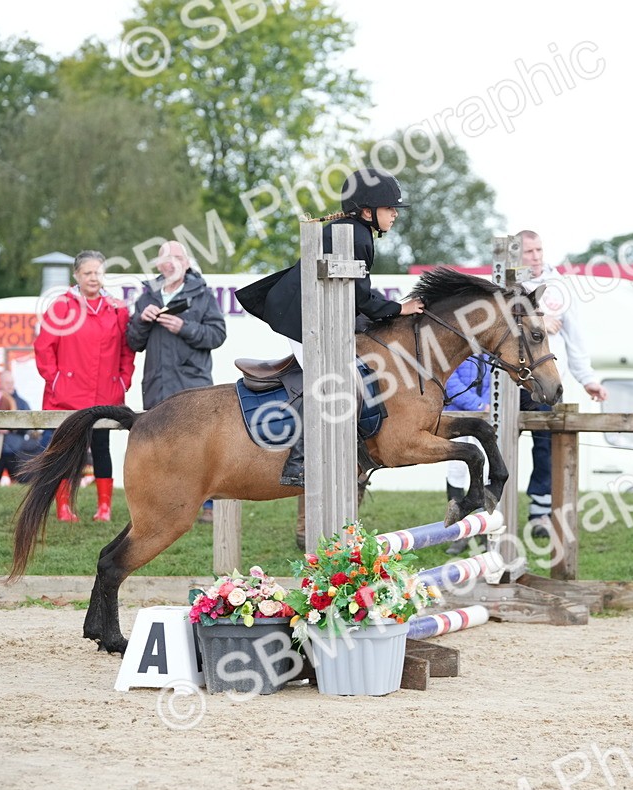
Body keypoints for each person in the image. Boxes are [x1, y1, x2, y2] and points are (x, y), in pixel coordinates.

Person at [235, 168, 425, 488]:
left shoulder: (353, 231)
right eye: (389, 208)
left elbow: (351, 296)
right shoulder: (356, 235)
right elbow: (361, 297)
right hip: (301, 322)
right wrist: (399, 308)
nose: (394, 214)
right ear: (367, 211)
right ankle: (299, 460)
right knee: (331, 382)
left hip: (318, 317)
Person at [127, 240, 228, 522]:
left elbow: (217, 335)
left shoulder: (203, 295)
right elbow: (133, 342)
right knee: (159, 446)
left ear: (186, 263)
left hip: (192, 384)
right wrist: (141, 320)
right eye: (164, 259)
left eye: (176, 257)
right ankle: (162, 507)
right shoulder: (147, 296)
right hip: (157, 383)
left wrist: (185, 328)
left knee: (198, 446)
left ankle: (207, 506)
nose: (170, 263)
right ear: (159, 266)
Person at [517, 230, 608, 538]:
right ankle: (490, 509)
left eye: (539, 249)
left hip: (548, 379)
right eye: (529, 251)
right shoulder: (507, 284)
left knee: (546, 445)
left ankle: (540, 514)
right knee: (497, 442)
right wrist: (537, 318)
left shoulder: (560, 288)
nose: (536, 256)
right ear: (517, 254)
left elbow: (576, 337)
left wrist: (588, 379)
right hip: (511, 378)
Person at [34, 250, 135, 522]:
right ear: (76, 275)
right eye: (88, 273)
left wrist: (124, 378)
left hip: (106, 393)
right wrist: (55, 380)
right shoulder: (61, 307)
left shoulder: (118, 308)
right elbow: (44, 348)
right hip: (67, 395)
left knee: (101, 447)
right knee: (66, 450)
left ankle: (104, 508)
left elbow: (127, 350)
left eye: (98, 272)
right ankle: (64, 507)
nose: (93, 278)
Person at [443, 355, 492, 555]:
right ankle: (458, 532)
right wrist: (479, 405)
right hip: (457, 417)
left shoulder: (491, 350)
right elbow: (450, 381)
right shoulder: (457, 344)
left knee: (487, 470)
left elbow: (495, 381)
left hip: (487, 417)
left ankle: (485, 531)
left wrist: (488, 406)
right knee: (456, 470)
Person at [0, 370, 44, 482]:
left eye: (11, 382)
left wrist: (11, 429)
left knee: (19, 483)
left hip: (16, 450)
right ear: (0, 383)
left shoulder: (21, 403)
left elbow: (29, 425)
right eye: (7, 382)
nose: (10, 385)